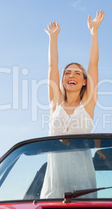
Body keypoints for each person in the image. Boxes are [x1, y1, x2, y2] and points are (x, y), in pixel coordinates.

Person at [40, 10, 105, 198]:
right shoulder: (55, 104)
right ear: (62, 80)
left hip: (82, 182)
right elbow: (52, 66)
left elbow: (94, 64)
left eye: (77, 73)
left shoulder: (88, 104)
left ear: (84, 81)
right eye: (67, 72)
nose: (71, 75)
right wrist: (53, 38)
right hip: (55, 183)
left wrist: (94, 33)